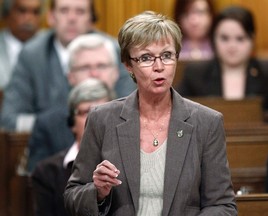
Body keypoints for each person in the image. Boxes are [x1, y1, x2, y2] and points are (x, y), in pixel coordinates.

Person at [64, 11, 237, 215]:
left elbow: (222, 206)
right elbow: (72, 196)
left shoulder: (207, 123)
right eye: (146, 58)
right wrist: (98, 192)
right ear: (129, 65)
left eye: (166, 55)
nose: (159, 67)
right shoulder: (102, 119)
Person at [0, 0, 135, 132]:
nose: (71, 18)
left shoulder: (111, 51)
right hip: (49, 147)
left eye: (80, 11)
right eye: (64, 10)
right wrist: (53, 126)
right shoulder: (32, 55)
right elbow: (9, 119)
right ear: (51, 17)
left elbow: (129, 113)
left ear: (91, 19)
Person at [27, 33, 120, 172]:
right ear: (70, 77)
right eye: (85, 67)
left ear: (116, 73)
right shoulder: (47, 125)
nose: (94, 74)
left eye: (101, 66)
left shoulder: (135, 116)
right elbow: (37, 181)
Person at [177, 6, 268, 112]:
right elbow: (178, 112)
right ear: (213, 39)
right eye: (224, 38)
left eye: (240, 39)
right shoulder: (196, 73)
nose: (232, 46)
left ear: (252, 40)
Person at [31, 78, 113, 216]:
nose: (94, 119)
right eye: (87, 112)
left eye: (101, 111)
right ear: (71, 122)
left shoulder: (127, 161)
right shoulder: (47, 172)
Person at [0, 0, 42, 89]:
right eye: (22, 11)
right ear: (6, 14)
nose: (29, 19)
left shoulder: (50, 46)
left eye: (35, 12)